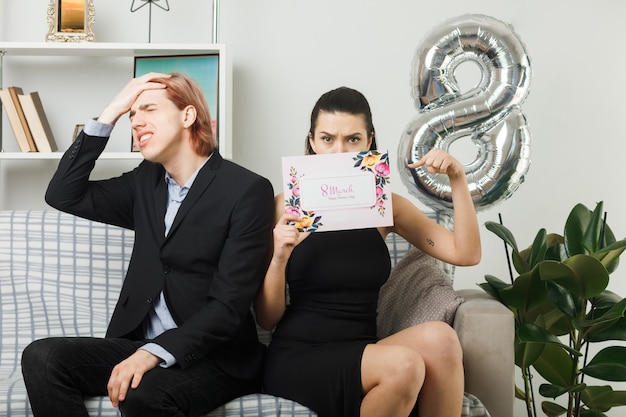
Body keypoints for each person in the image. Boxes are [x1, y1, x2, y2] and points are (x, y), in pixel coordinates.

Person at [21, 72, 275, 417]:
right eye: (132, 115)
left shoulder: (246, 191)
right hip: (135, 342)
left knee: (142, 395)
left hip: (214, 356)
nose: (137, 121)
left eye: (149, 109)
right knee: (42, 356)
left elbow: (228, 307)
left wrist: (154, 352)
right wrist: (112, 110)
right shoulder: (145, 181)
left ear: (188, 116)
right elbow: (63, 194)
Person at [255, 86, 481, 417]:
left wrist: (457, 179)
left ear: (369, 140)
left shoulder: (383, 204)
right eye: (328, 139)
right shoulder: (286, 206)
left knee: (442, 340)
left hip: (363, 351)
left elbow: (465, 253)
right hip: (299, 356)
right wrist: (278, 256)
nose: (339, 151)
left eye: (353, 139)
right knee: (404, 366)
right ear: (313, 141)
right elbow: (266, 318)